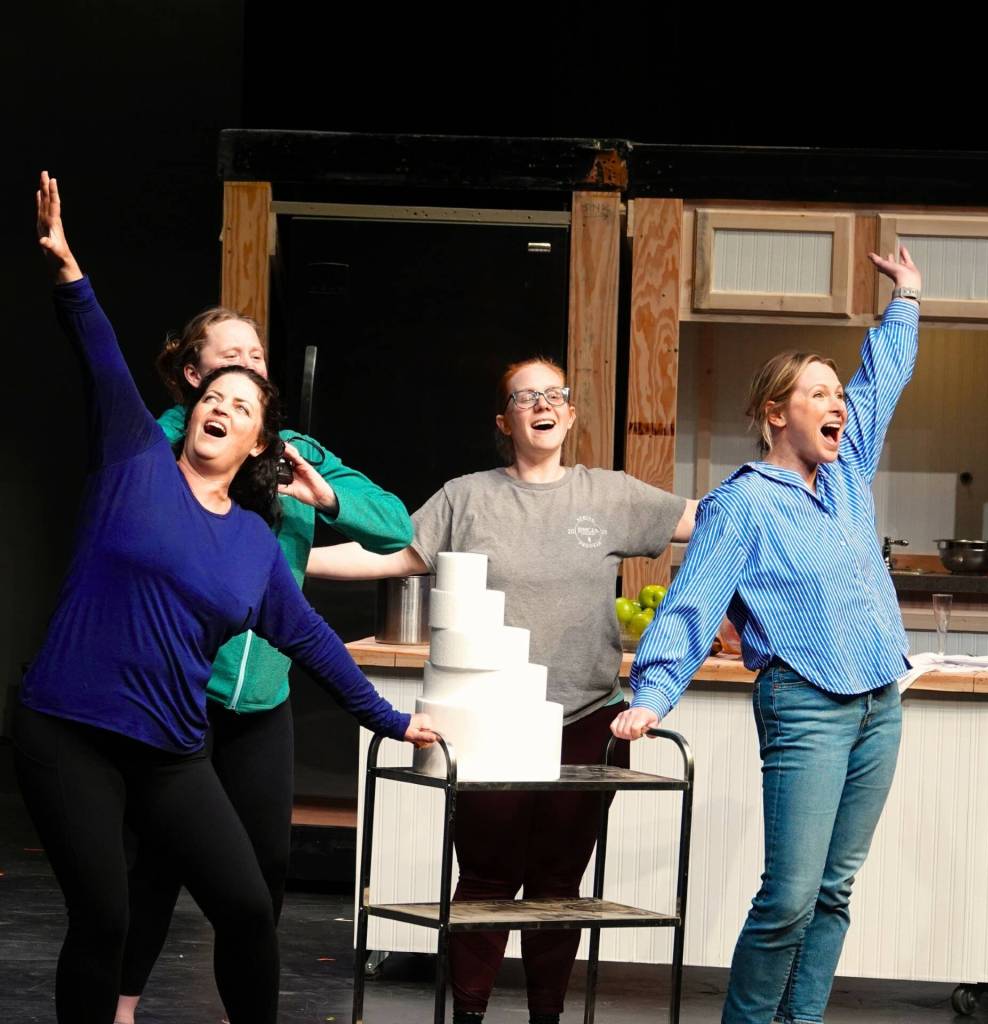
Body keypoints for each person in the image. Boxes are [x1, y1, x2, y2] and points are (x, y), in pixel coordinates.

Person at [14, 171, 435, 1024]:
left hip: (168, 748)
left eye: (243, 405)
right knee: (105, 914)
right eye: (215, 394)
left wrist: (393, 722)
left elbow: (312, 641)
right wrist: (68, 270)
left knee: (247, 905)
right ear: (193, 401)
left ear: (257, 441)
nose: (225, 405)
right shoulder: (134, 462)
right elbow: (100, 359)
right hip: (71, 727)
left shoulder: (252, 546)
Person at [306, 356, 697, 1024]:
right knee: (487, 878)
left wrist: (790, 493)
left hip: (587, 720)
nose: (541, 404)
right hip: (490, 725)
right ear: (504, 420)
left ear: (570, 414)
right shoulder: (467, 498)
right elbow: (394, 553)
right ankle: (469, 1015)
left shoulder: (612, 495)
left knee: (558, 886)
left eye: (553, 394)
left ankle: (547, 1016)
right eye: (525, 397)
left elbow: (714, 521)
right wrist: (288, 559)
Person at [612, 249, 922, 1024]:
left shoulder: (847, 472)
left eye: (838, 395)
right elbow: (691, 603)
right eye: (818, 393)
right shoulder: (741, 505)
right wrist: (653, 694)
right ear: (775, 413)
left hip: (880, 701)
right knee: (788, 899)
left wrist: (907, 300)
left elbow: (881, 381)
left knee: (833, 892)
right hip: (807, 703)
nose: (838, 405)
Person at [115, 242, 413, 1024]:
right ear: (194, 375)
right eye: (231, 357)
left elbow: (396, 528)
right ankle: (120, 1005)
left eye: (257, 357)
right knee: (155, 867)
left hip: (263, 701)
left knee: (264, 870)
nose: (250, 365)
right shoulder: (168, 444)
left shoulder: (295, 454)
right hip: (181, 695)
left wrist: (323, 497)